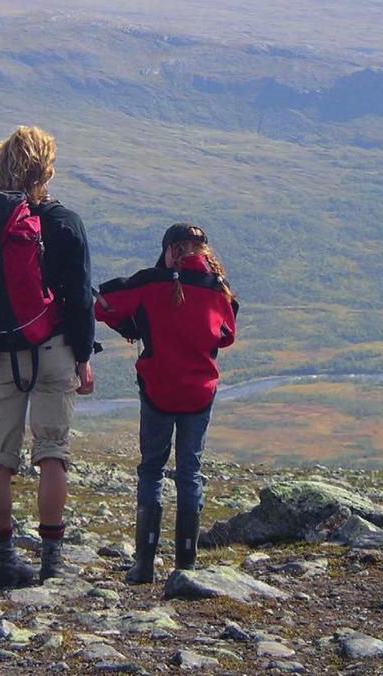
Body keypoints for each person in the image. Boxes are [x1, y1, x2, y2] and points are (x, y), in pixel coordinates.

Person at [0, 125, 95, 588]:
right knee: (52, 453)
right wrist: (82, 355)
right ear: (47, 167)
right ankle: (52, 561)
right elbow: (79, 298)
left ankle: (4, 560)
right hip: (53, 350)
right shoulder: (64, 223)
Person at [94, 223, 237, 583]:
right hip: (199, 392)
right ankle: (185, 566)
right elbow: (228, 335)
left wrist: (133, 325)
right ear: (203, 251)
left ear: (171, 250)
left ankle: (143, 564)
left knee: (151, 470)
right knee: (190, 472)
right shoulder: (219, 289)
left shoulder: (150, 282)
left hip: (157, 389)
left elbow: (103, 303)